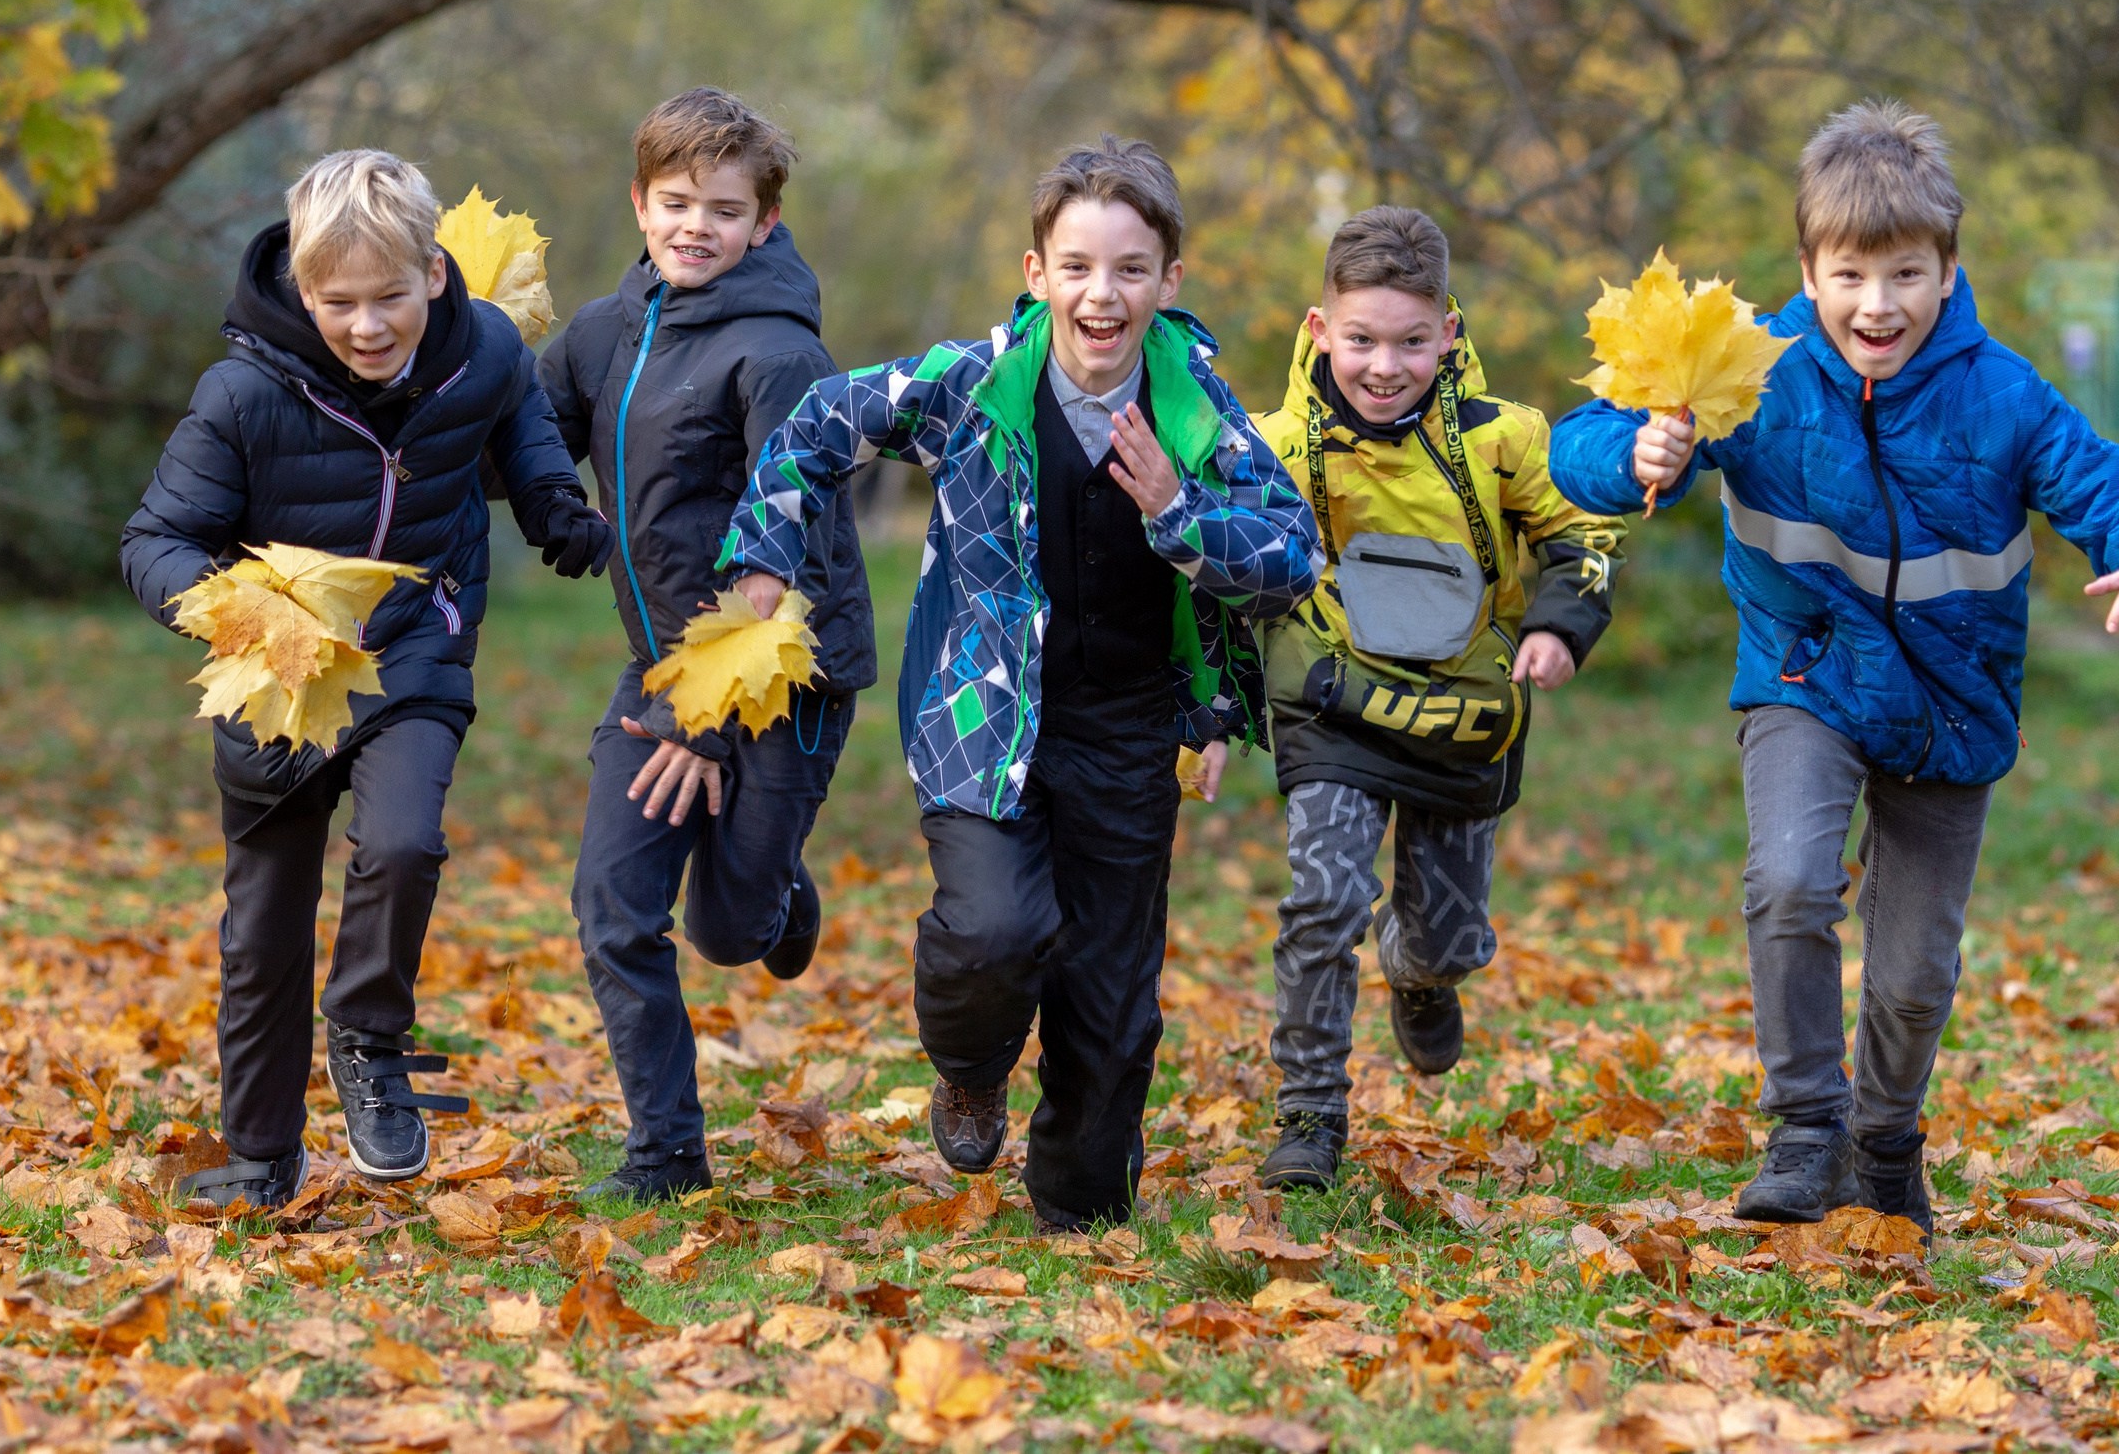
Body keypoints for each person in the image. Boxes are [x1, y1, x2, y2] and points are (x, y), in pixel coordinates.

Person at [1547, 101, 2119, 1236]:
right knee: (1792, 880)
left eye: (1905, 273)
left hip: (1952, 710)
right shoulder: (1746, 372)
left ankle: (1884, 1136)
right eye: (1850, 273)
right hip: (1805, 676)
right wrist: (1636, 451)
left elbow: (2115, 488)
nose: (1877, 304)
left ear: (1947, 274)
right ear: (1806, 274)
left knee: (1912, 978)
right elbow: (1580, 446)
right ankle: (1805, 1127)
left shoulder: (2001, 396)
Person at [716, 136, 1320, 1230]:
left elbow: (1292, 553)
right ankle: (971, 1064)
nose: (1103, 293)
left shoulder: (1198, 412)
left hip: (1130, 730)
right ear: (1037, 271)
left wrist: (1178, 515)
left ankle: (1079, 1209)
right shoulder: (967, 385)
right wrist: (766, 553)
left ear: (1168, 283)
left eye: (1131, 269)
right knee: (989, 933)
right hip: (977, 712)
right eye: (1078, 265)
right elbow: (814, 426)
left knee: (1108, 1000)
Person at [122, 149, 608, 1208]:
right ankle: (260, 1158)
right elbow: (155, 538)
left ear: (434, 271)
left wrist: (552, 507)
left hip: (415, 647)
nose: (368, 325)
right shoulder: (243, 392)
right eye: (339, 302)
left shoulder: (477, 346)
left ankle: (370, 1042)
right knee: (262, 930)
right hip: (282, 672)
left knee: (402, 840)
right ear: (304, 290)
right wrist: (233, 613)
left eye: (391, 296)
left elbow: (518, 417)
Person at [538, 87, 875, 1204]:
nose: (696, 226)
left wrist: (708, 721)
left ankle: (778, 898)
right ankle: (667, 1153)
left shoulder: (781, 359)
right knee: (613, 909)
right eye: (675, 202)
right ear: (639, 202)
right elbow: (519, 434)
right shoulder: (599, 333)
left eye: (723, 210)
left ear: (764, 222)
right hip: (660, 672)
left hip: (783, 673)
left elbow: (789, 557)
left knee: (730, 933)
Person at [1251, 207, 1626, 1189]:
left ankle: (1416, 971)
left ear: (1447, 333)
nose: (1385, 367)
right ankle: (1308, 1114)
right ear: (1319, 328)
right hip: (1331, 701)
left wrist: (1555, 626)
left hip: (1463, 714)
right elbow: (1219, 553)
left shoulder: (1506, 439)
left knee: (1448, 940)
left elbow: (1583, 535)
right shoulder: (1276, 446)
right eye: (1362, 339)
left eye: (1412, 342)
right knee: (1321, 894)